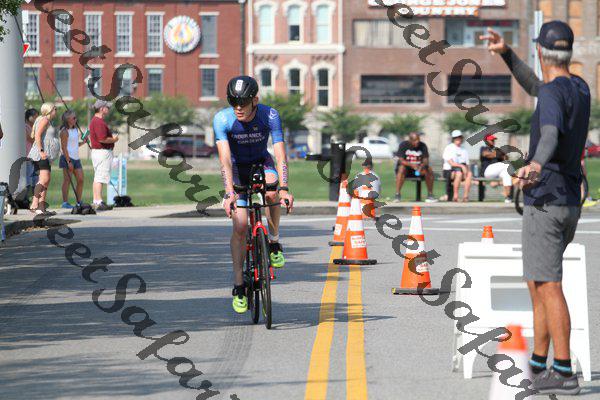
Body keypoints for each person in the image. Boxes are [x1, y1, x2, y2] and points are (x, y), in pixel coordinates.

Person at [482, 21, 589, 395]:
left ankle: (564, 371)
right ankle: (540, 363)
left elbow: (550, 133)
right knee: (539, 282)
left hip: (546, 199)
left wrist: (536, 164)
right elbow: (536, 87)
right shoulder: (578, 87)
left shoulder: (552, 96)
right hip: (568, 199)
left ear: (541, 51)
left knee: (549, 286)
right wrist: (506, 54)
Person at [215, 76, 294, 314]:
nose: (238, 107)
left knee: (271, 192)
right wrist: (229, 193)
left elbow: (280, 155)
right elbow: (225, 160)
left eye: (243, 102)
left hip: (261, 163)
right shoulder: (222, 119)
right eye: (233, 102)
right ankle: (239, 286)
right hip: (238, 170)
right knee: (240, 225)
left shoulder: (270, 115)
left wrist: (284, 188)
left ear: (255, 100)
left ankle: (274, 241)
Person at [27, 102, 58, 216]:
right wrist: (41, 151)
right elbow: (37, 135)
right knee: (44, 179)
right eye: (55, 109)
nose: (56, 111)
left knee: (46, 180)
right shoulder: (44, 120)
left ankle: (41, 207)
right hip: (40, 154)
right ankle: (35, 204)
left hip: (45, 154)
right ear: (49, 110)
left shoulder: (47, 121)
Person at [89, 100, 118, 211]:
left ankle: (96, 200)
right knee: (100, 177)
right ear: (101, 108)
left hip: (98, 152)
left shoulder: (95, 121)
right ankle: (98, 201)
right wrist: (114, 139)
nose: (108, 109)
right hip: (102, 152)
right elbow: (102, 139)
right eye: (107, 107)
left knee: (98, 177)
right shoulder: (98, 122)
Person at [394, 132, 437, 202]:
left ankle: (430, 195)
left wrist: (421, 166)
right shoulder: (403, 145)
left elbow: (426, 161)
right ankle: (397, 194)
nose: (417, 142)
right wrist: (412, 165)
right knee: (401, 168)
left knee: (429, 169)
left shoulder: (423, 145)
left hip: (419, 169)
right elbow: (401, 161)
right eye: (415, 140)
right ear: (410, 140)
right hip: (407, 170)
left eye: (418, 140)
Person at [59, 110, 84, 208]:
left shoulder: (75, 130)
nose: (75, 119)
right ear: (67, 119)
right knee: (67, 180)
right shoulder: (64, 131)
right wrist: (68, 161)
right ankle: (65, 202)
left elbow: (74, 145)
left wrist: (84, 142)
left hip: (76, 158)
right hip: (67, 158)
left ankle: (79, 201)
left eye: (75, 117)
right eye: (74, 118)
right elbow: (64, 147)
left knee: (80, 180)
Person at [480, 134, 514, 203]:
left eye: (493, 140)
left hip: (497, 172)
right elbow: (485, 154)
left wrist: (500, 154)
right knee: (507, 165)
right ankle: (507, 193)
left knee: (506, 174)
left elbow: (506, 158)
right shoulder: (484, 148)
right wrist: (498, 154)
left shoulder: (497, 149)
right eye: (491, 140)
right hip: (487, 171)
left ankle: (508, 197)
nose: (493, 141)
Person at [442, 130, 472, 202]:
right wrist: (462, 166)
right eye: (456, 137)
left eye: (459, 137)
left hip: (460, 171)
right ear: (453, 139)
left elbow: (467, 164)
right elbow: (451, 163)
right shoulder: (449, 148)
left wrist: (466, 171)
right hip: (448, 171)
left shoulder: (464, 150)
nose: (458, 139)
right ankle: (455, 196)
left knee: (469, 174)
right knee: (459, 173)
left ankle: (465, 197)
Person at [25, 108, 40, 197]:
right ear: (28, 117)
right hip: (28, 156)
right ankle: (26, 198)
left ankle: (35, 199)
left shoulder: (33, 128)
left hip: (34, 157)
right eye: (34, 117)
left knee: (35, 179)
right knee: (28, 179)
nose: (36, 119)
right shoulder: (25, 127)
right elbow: (32, 140)